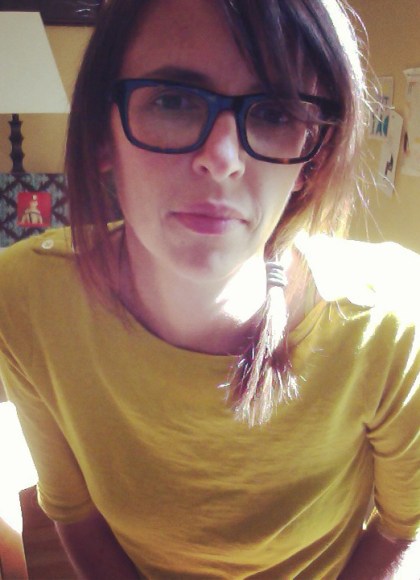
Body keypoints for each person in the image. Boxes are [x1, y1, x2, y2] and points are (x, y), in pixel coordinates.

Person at [0, 0, 418, 578]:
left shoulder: (391, 318)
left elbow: (401, 526)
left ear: (313, 158)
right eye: (173, 100)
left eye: (274, 112)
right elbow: (75, 514)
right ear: (101, 132)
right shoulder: (26, 299)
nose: (222, 160)